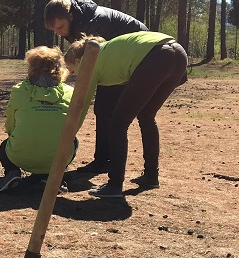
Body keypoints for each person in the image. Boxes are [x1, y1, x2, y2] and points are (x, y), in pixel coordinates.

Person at [64, 30, 188, 200]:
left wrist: (68, 135)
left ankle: (114, 185)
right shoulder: (108, 54)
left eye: (72, 71)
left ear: (78, 62)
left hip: (156, 56)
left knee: (117, 125)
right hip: (178, 53)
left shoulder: (89, 61)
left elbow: (81, 105)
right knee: (146, 115)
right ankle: (151, 176)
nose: (74, 75)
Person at [44, 0, 147, 175]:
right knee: (104, 109)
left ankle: (105, 162)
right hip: (121, 59)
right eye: (54, 30)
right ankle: (103, 159)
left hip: (139, 57)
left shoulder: (94, 24)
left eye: (59, 27)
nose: (58, 33)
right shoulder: (79, 23)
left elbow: (96, 63)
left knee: (108, 110)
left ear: (70, 15)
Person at [0, 47, 76, 193]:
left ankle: (12, 173)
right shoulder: (70, 92)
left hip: (20, 155)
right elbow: (73, 127)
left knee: (4, 146)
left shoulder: (19, 90)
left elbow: (10, 124)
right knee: (73, 141)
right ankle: (52, 176)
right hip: (57, 157)